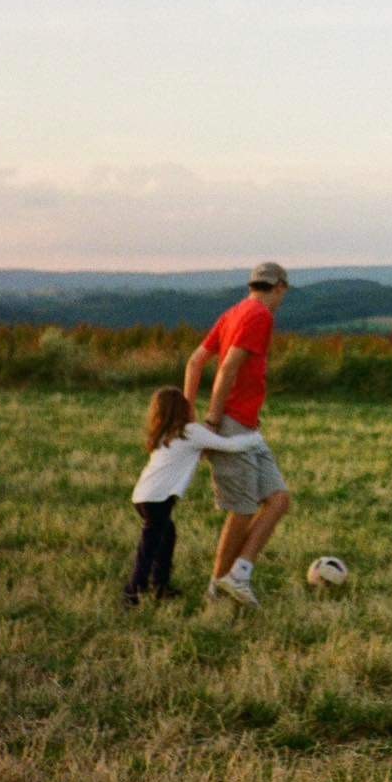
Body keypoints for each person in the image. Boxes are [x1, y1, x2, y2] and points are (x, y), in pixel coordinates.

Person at [184, 260, 291, 609]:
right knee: (243, 510)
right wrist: (211, 421)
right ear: (280, 288)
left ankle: (237, 575)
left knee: (278, 500)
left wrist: (189, 416)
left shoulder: (234, 312)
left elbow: (195, 361)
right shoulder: (260, 316)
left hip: (248, 429)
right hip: (231, 425)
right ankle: (217, 590)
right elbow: (228, 366)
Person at [123, 386, 261, 607]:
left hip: (143, 497)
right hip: (158, 499)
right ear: (182, 409)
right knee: (149, 547)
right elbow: (230, 446)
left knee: (166, 537)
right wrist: (255, 437)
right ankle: (133, 592)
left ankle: (160, 585)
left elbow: (195, 454)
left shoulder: (165, 435)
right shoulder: (190, 432)